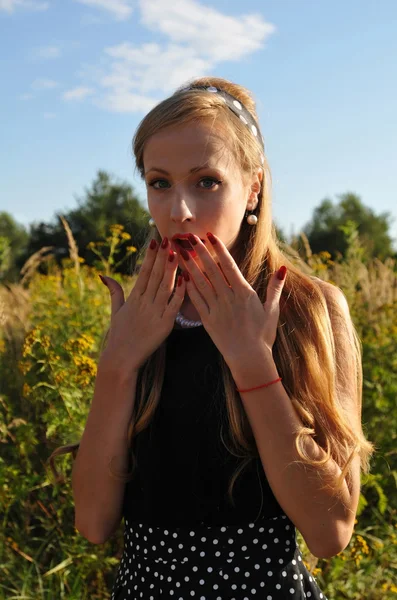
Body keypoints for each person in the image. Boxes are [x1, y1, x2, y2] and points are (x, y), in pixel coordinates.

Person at [49, 77, 374, 599]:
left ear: (254, 186)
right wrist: (118, 365)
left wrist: (251, 362)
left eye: (205, 182)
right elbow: (92, 522)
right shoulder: (141, 318)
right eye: (159, 183)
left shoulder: (308, 309)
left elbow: (331, 531)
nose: (178, 210)